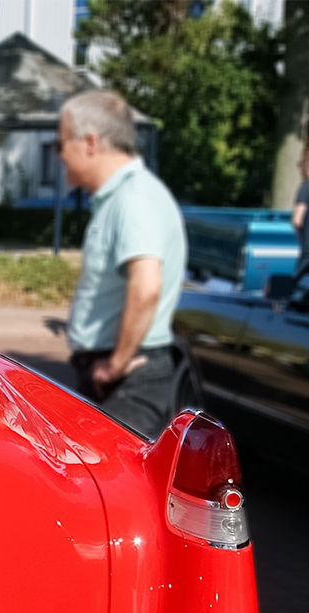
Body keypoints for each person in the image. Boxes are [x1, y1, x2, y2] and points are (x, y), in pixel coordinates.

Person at [58, 89, 187, 440]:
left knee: (109, 487)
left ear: (89, 143)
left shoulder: (133, 200)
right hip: (120, 376)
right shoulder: (127, 197)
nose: (60, 155)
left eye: (61, 143)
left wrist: (117, 363)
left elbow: (146, 287)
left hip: (128, 379)